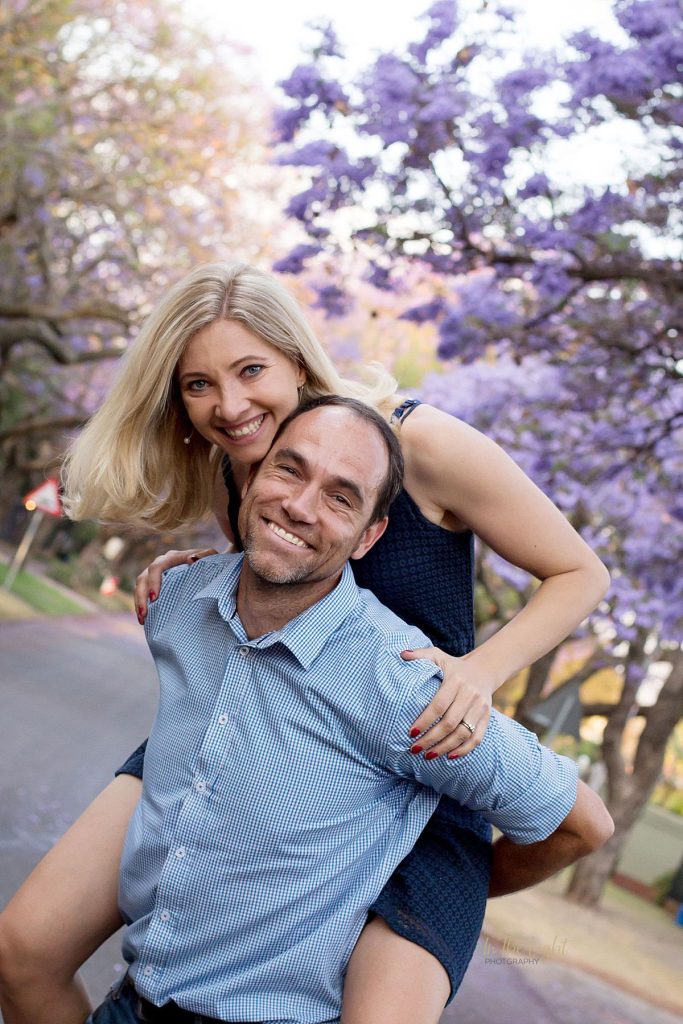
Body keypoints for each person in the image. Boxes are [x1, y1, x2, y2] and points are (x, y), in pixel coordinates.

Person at [0, 262, 610, 1024]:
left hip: (423, 753)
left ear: (295, 357)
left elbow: (580, 573)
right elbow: (272, 578)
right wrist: (202, 569)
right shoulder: (237, 466)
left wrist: (476, 674)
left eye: (250, 370)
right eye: (198, 385)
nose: (229, 405)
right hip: (257, 729)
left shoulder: (419, 441)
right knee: (23, 949)